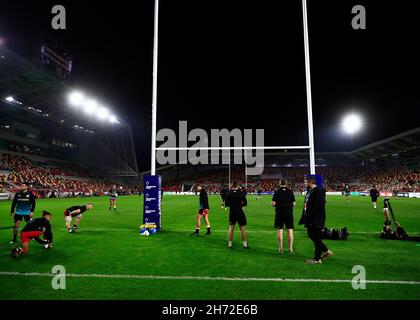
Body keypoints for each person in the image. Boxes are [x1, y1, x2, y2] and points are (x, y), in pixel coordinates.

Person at [300, 176, 333, 264]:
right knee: (311, 235)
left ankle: (317, 259)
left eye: (306, 181)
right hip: (310, 218)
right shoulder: (310, 191)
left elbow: (318, 206)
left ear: (311, 181)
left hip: (316, 218)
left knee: (317, 238)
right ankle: (326, 251)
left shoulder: (319, 191)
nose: (305, 183)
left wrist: (311, 215)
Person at [271, 179, 296, 254]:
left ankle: (281, 248)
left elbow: (273, 204)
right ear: (286, 183)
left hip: (279, 213)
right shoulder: (290, 191)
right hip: (288, 213)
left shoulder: (277, 191)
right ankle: (290, 249)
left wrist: (277, 204)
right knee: (290, 230)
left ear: (279, 183)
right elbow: (294, 204)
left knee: (280, 231)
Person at [225, 181, 249, 249]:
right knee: (242, 229)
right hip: (240, 212)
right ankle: (245, 244)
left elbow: (226, 204)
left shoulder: (228, 193)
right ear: (238, 185)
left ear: (231, 185)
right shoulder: (241, 193)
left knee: (231, 229)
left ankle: (230, 244)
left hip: (232, 212)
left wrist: (232, 205)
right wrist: (240, 205)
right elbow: (245, 203)